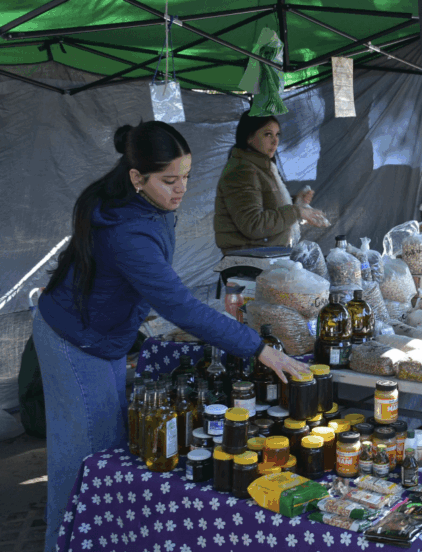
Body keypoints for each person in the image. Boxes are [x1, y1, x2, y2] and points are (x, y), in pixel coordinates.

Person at [33, 121, 312, 552]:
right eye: (169, 180)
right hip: (73, 339)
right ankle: (64, 542)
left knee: (108, 445)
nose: (181, 188)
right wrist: (257, 349)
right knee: (85, 460)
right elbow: (180, 306)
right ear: (136, 178)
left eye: (186, 176)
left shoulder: (144, 205)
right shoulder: (127, 230)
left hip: (102, 336)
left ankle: (99, 539)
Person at [213, 112, 328, 254]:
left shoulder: (261, 166)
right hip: (249, 262)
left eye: (277, 135)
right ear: (249, 137)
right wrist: (297, 212)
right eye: (268, 134)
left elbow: (263, 205)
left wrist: (295, 201)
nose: (275, 141)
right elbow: (253, 224)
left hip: (264, 256)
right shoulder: (242, 171)